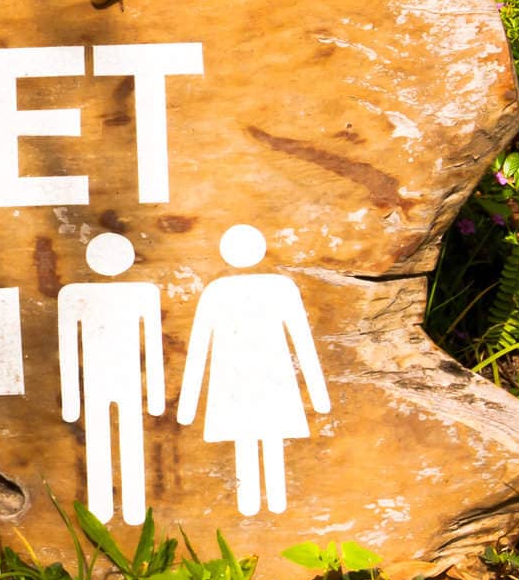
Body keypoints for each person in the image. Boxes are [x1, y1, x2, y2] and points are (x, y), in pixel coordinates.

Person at [176, 224, 331, 516]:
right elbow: (301, 339)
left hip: (258, 373)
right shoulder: (271, 287)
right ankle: (259, 510)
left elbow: (301, 336)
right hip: (249, 374)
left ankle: (266, 509)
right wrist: (317, 394)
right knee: (258, 435)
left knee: (254, 436)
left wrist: (187, 405)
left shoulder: (222, 290)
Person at [58, 233, 165, 525]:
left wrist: (155, 393)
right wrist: (70, 398)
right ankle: (101, 509)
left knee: (130, 437)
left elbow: (153, 343)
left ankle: (133, 508)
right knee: (99, 439)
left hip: (127, 376)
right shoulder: (74, 295)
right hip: (96, 379)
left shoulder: (143, 293)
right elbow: (67, 345)